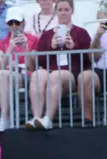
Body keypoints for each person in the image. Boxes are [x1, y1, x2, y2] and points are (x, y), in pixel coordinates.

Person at [26, 0, 92, 130]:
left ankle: (48, 119)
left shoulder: (81, 32)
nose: (63, 13)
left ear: (72, 11)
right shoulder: (47, 35)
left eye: (66, 10)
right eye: (60, 10)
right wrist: (51, 47)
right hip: (50, 70)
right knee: (37, 75)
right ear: (56, 12)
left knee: (56, 75)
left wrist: (73, 47)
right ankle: (36, 117)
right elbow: (41, 61)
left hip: (71, 74)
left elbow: (87, 61)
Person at [0, 8, 39, 131]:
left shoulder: (33, 39)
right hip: (7, 74)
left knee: (2, 74)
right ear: (7, 25)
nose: (14, 26)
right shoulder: (2, 42)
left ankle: (5, 118)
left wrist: (25, 48)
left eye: (17, 23)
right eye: (11, 23)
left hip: (25, 75)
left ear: (23, 23)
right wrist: (9, 49)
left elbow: (33, 67)